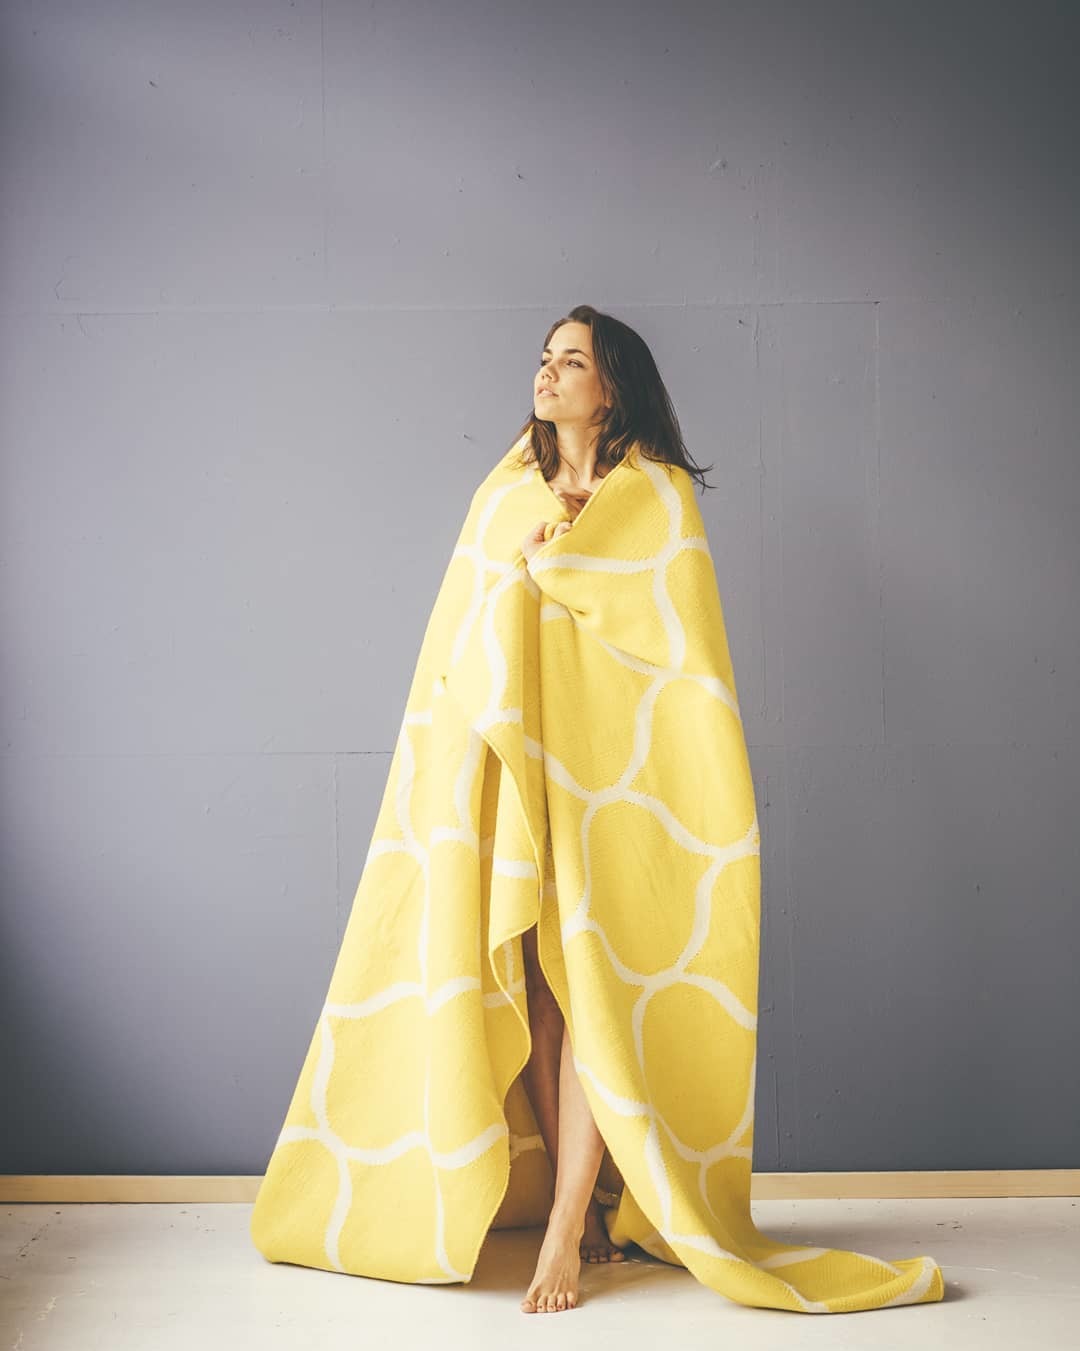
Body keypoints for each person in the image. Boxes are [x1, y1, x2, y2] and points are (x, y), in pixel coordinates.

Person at [513, 304, 713, 1313]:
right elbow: (469, 626)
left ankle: (566, 1225)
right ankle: (578, 1198)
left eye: (572, 361)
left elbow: (678, 645)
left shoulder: (656, 498)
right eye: (545, 358)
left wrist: (560, 560)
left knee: (597, 986)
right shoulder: (510, 495)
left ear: (611, 389)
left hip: (622, 784)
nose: (549, 373)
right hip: (533, 767)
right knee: (544, 992)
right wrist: (529, 558)